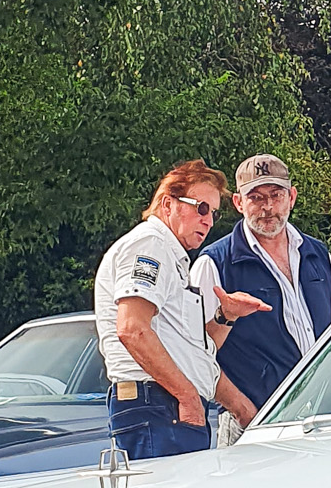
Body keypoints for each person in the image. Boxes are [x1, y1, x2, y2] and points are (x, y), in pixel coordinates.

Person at [93, 161, 268, 460]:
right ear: (167, 204)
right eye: (201, 208)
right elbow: (132, 329)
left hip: (165, 406)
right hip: (158, 405)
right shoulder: (150, 245)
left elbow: (192, 355)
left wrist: (226, 316)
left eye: (213, 213)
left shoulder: (169, 256)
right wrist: (187, 397)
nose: (209, 221)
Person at [189, 154, 331, 432]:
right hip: (253, 424)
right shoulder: (215, 263)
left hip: (322, 420)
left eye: (276, 195)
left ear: (292, 197)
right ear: (238, 203)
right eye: (256, 198)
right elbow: (194, 356)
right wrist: (244, 411)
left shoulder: (317, 255)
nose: (268, 207)